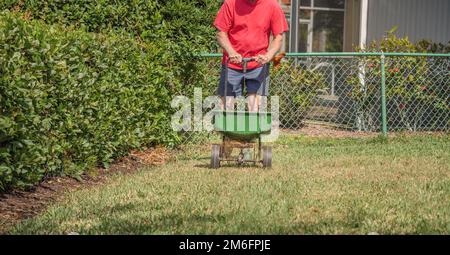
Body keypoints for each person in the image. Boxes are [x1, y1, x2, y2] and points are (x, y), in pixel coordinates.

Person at [214, 0, 288, 112]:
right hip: (232, 64)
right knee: (226, 106)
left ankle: (254, 129)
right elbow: (220, 33)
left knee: (255, 107)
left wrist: (268, 55)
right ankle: (227, 129)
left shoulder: (272, 5)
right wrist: (231, 52)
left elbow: (278, 37)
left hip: (258, 65)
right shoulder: (231, 3)